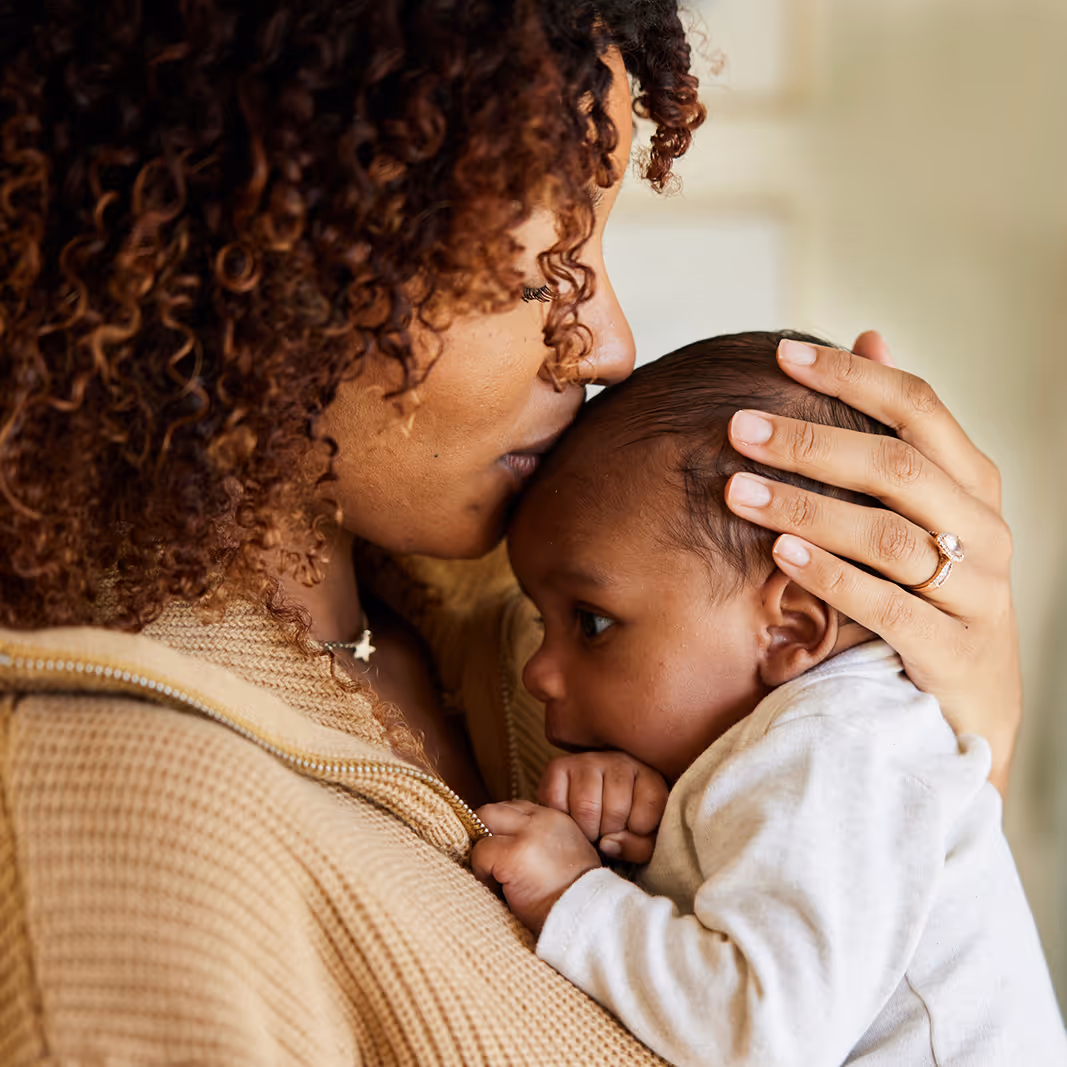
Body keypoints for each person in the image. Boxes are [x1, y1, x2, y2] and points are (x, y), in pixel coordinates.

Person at [0, 2, 1025, 1062]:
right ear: (252, 251)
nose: (607, 343)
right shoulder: (107, 849)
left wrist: (953, 718)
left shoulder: (595, 615)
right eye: (536, 272)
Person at [475, 332, 1067, 1066]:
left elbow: (763, 1032)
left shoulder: (837, 746)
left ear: (790, 625)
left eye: (590, 622)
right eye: (541, 619)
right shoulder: (815, 740)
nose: (537, 672)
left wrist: (577, 894)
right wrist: (655, 842)